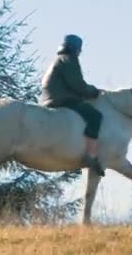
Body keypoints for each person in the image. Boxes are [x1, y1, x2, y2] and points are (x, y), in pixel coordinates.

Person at [41, 34, 105, 176]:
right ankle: (90, 155)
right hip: (62, 99)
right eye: (79, 49)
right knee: (95, 116)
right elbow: (78, 85)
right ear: (76, 49)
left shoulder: (58, 60)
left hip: (51, 98)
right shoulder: (70, 59)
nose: (79, 52)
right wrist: (95, 92)